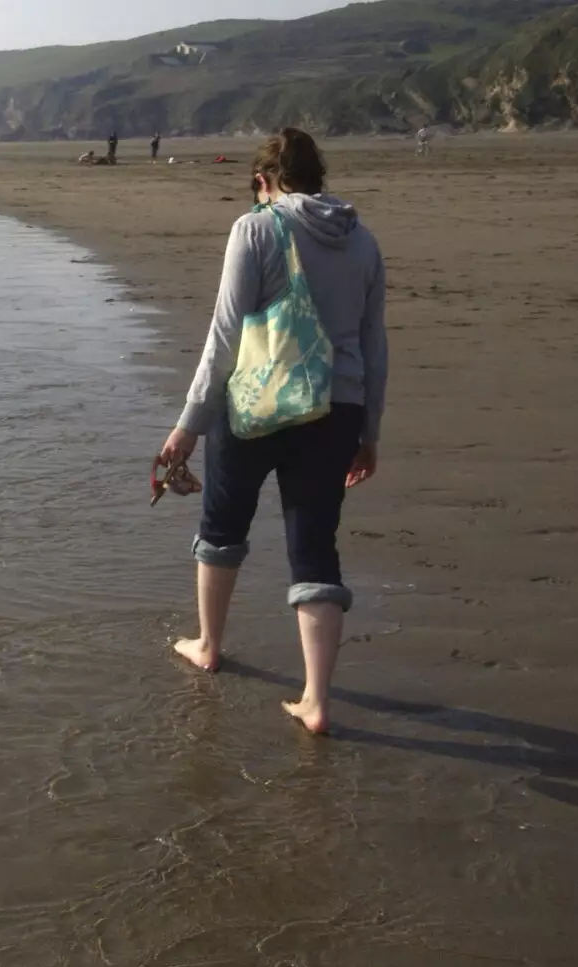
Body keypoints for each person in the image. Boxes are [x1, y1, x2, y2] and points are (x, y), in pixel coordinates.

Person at [157, 128, 388, 735]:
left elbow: (224, 335)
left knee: (223, 526)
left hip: (255, 404)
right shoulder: (363, 242)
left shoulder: (255, 228)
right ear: (318, 177)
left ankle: (208, 644)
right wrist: (369, 428)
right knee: (314, 545)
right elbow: (373, 343)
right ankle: (315, 700)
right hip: (336, 407)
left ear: (265, 181)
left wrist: (189, 423)